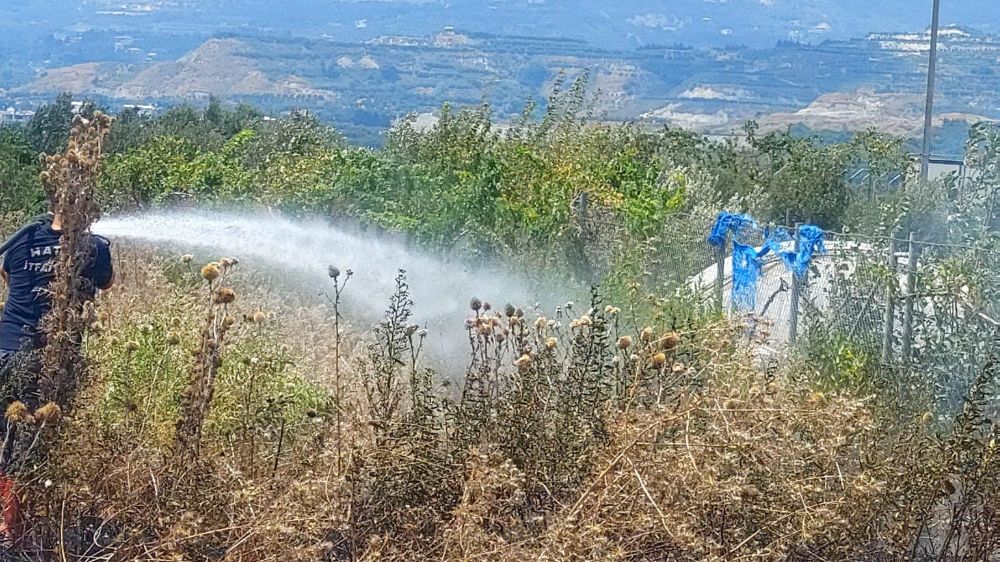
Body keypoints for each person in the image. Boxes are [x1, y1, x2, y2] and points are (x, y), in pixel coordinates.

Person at [0, 209, 113, 547]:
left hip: (3, 348)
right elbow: (106, 282)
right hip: (44, 361)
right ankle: (10, 531)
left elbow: (6, 277)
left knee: (7, 437)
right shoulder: (93, 247)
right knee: (26, 446)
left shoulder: (22, 242)